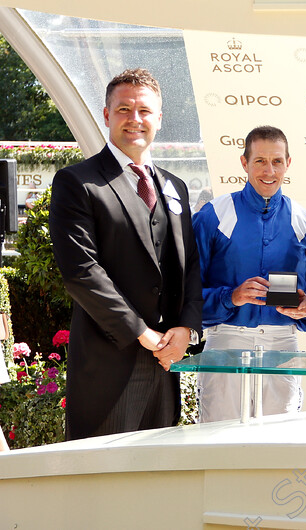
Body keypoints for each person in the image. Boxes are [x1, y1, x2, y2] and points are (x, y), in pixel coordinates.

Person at [50, 68, 203, 440]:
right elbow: (82, 272)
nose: (135, 120)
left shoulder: (175, 186)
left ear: (160, 119)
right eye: (123, 110)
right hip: (108, 368)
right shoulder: (77, 182)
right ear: (106, 115)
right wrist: (141, 333)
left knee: (156, 482)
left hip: (164, 366)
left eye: (145, 111)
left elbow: (190, 267)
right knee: (101, 484)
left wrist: (186, 328)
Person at [191, 125, 306, 422]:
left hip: (284, 344)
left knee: (279, 448)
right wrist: (231, 296)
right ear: (244, 163)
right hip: (226, 342)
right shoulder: (213, 216)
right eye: (260, 161)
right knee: (220, 443)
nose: (269, 170)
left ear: (288, 163)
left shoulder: (305, 221)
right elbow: (186, 294)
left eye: (277, 161)